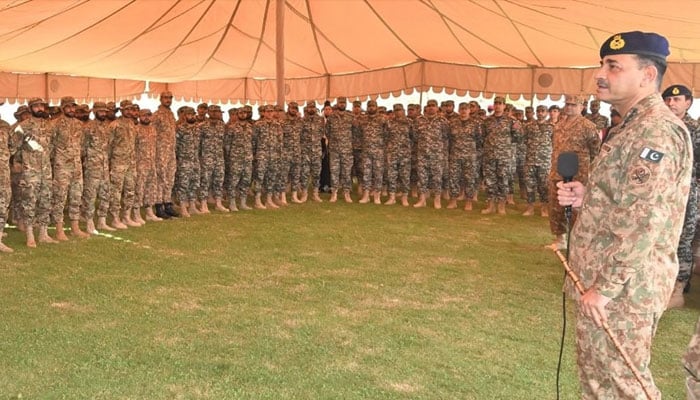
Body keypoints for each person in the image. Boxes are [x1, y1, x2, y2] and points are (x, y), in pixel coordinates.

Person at [557, 31, 691, 399]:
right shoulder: (629, 126)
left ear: (648, 75)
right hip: (606, 282)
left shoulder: (656, 131)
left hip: (625, 289)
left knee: (623, 382)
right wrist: (588, 197)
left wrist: (606, 287)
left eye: (613, 66)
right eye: (602, 64)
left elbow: (645, 219)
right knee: (598, 380)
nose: (600, 74)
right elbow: (627, 200)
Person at [661, 84, 699, 309]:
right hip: (662, 193)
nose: (671, 103)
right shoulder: (660, 126)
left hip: (686, 193)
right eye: (667, 100)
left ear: (688, 103)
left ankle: (678, 289)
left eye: (676, 100)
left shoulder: (695, 129)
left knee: (683, 240)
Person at [548, 95, 600, 249]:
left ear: (582, 107)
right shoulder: (559, 124)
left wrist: (590, 170)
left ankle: (578, 240)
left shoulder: (588, 126)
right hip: (557, 170)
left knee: (575, 208)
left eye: (573, 105)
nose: (569, 107)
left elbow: (595, 150)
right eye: (567, 104)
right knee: (556, 206)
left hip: (577, 172)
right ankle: (560, 239)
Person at [480, 96, 522, 214]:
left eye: (500, 103)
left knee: (503, 180)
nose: (497, 105)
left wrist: (517, 130)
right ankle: (490, 205)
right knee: (490, 181)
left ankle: (501, 206)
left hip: (504, 156)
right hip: (490, 155)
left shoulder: (511, 121)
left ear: (504, 106)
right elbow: (483, 136)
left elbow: (518, 138)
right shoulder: (487, 121)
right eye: (496, 103)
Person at [522, 105, 553, 217]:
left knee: (544, 185)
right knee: (529, 185)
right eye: (538, 111)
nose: (540, 113)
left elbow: (555, 142)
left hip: (544, 161)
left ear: (547, 113)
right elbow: (524, 139)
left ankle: (544, 208)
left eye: (542, 111)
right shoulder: (529, 126)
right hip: (530, 160)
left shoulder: (551, 127)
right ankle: (530, 208)